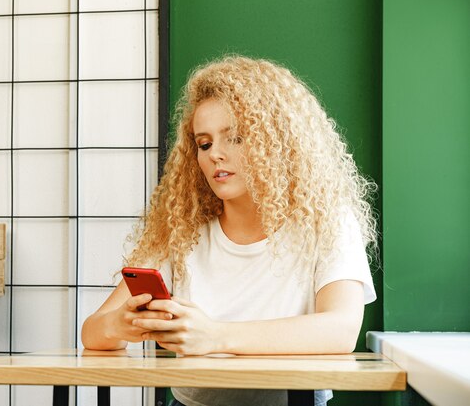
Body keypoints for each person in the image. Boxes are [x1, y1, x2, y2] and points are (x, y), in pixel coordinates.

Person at [81, 55, 378, 406]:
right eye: (204, 144)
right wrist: (122, 324)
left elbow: (341, 330)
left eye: (235, 137)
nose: (215, 155)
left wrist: (215, 336)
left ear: (277, 140)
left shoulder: (326, 222)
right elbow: (93, 331)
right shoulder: (181, 230)